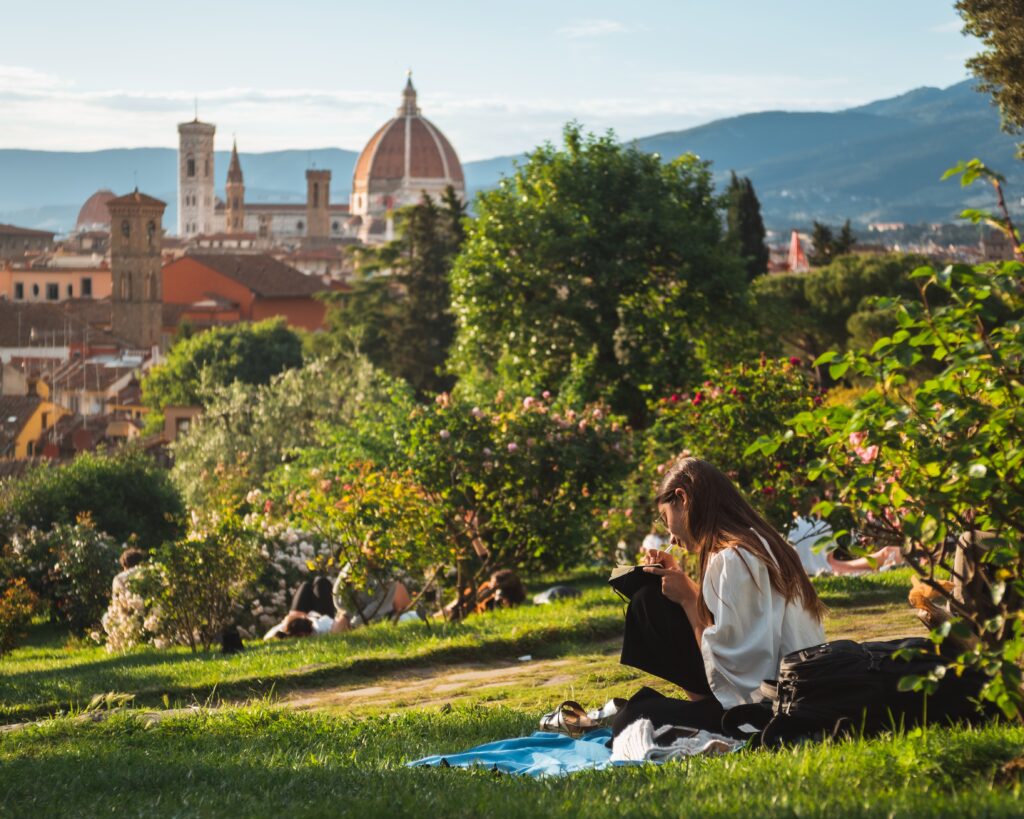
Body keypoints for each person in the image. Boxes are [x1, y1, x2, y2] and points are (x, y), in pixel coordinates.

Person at [614, 457, 827, 736]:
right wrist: (686, 587)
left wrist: (690, 600)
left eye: (666, 520)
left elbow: (738, 666)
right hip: (786, 693)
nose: (672, 537)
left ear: (682, 498)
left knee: (633, 717)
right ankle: (706, 708)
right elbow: (739, 638)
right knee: (650, 600)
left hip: (767, 710)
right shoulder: (759, 543)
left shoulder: (734, 557)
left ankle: (709, 712)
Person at [788, 516, 903, 576]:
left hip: (813, 568)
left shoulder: (792, 527)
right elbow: (830, 559)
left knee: (886, 554)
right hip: (830, 567)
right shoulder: (822, 526)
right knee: (887, 554)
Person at [263, 576, 346, 640]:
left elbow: (267, 637)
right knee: (321, 582)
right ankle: (296, 616)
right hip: (320, 614)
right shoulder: (322, 627)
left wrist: (287, 622)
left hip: (295, 618)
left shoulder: (282, 629)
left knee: (305, 585)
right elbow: (341, 620)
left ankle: (295, 616)